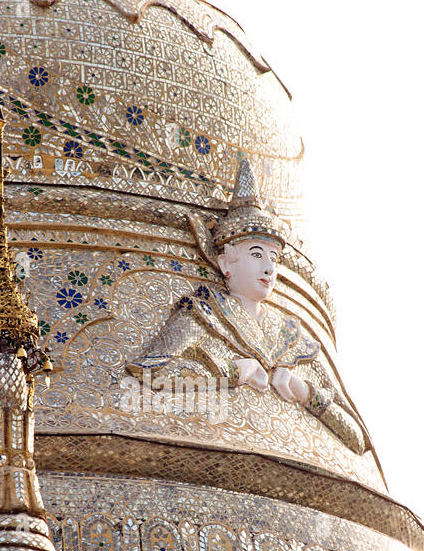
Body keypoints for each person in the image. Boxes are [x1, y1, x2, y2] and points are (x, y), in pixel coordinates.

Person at [128, 160, 369, 455]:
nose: (268, 269)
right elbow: (152, 371)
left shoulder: (295, 339)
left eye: (274, 258)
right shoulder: (203, 314)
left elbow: (356, 438)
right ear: (225, 262)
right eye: (256, 254)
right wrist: (233, 371)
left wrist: (303, 390)